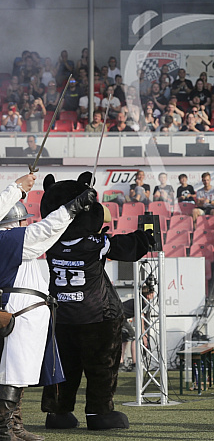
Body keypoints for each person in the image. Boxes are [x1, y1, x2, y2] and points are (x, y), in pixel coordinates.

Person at [40, 172, 153, 431]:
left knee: (62, 369)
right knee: (102, 367)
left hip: (61, 317)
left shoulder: (48, 241)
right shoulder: (95, 243)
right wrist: (144, 238)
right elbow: (126, 248)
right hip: (95, 315)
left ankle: (57, 414)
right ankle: (99, 413)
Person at [0, 174, 97, 440]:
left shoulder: (11, 242)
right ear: (11, 222)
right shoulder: (6, 240)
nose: (25, 224)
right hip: (18, 312)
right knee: (12, 372)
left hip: (26, 311)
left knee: (19, 373)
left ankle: (14, 426)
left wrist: (18, 189)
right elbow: (44, 232)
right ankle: (4, 428)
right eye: (21, 220)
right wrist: (72, 208)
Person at [121, 285, 155, 372]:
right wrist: (143, 333)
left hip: (119, 317)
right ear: (148, 295)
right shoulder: (141, 303)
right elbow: (139, 318)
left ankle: (121, 363)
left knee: (124, 339)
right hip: (120, 318)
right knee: (133, 338)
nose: (154, 295)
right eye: (152, 293)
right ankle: (134, 363)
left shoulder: (139, 301)